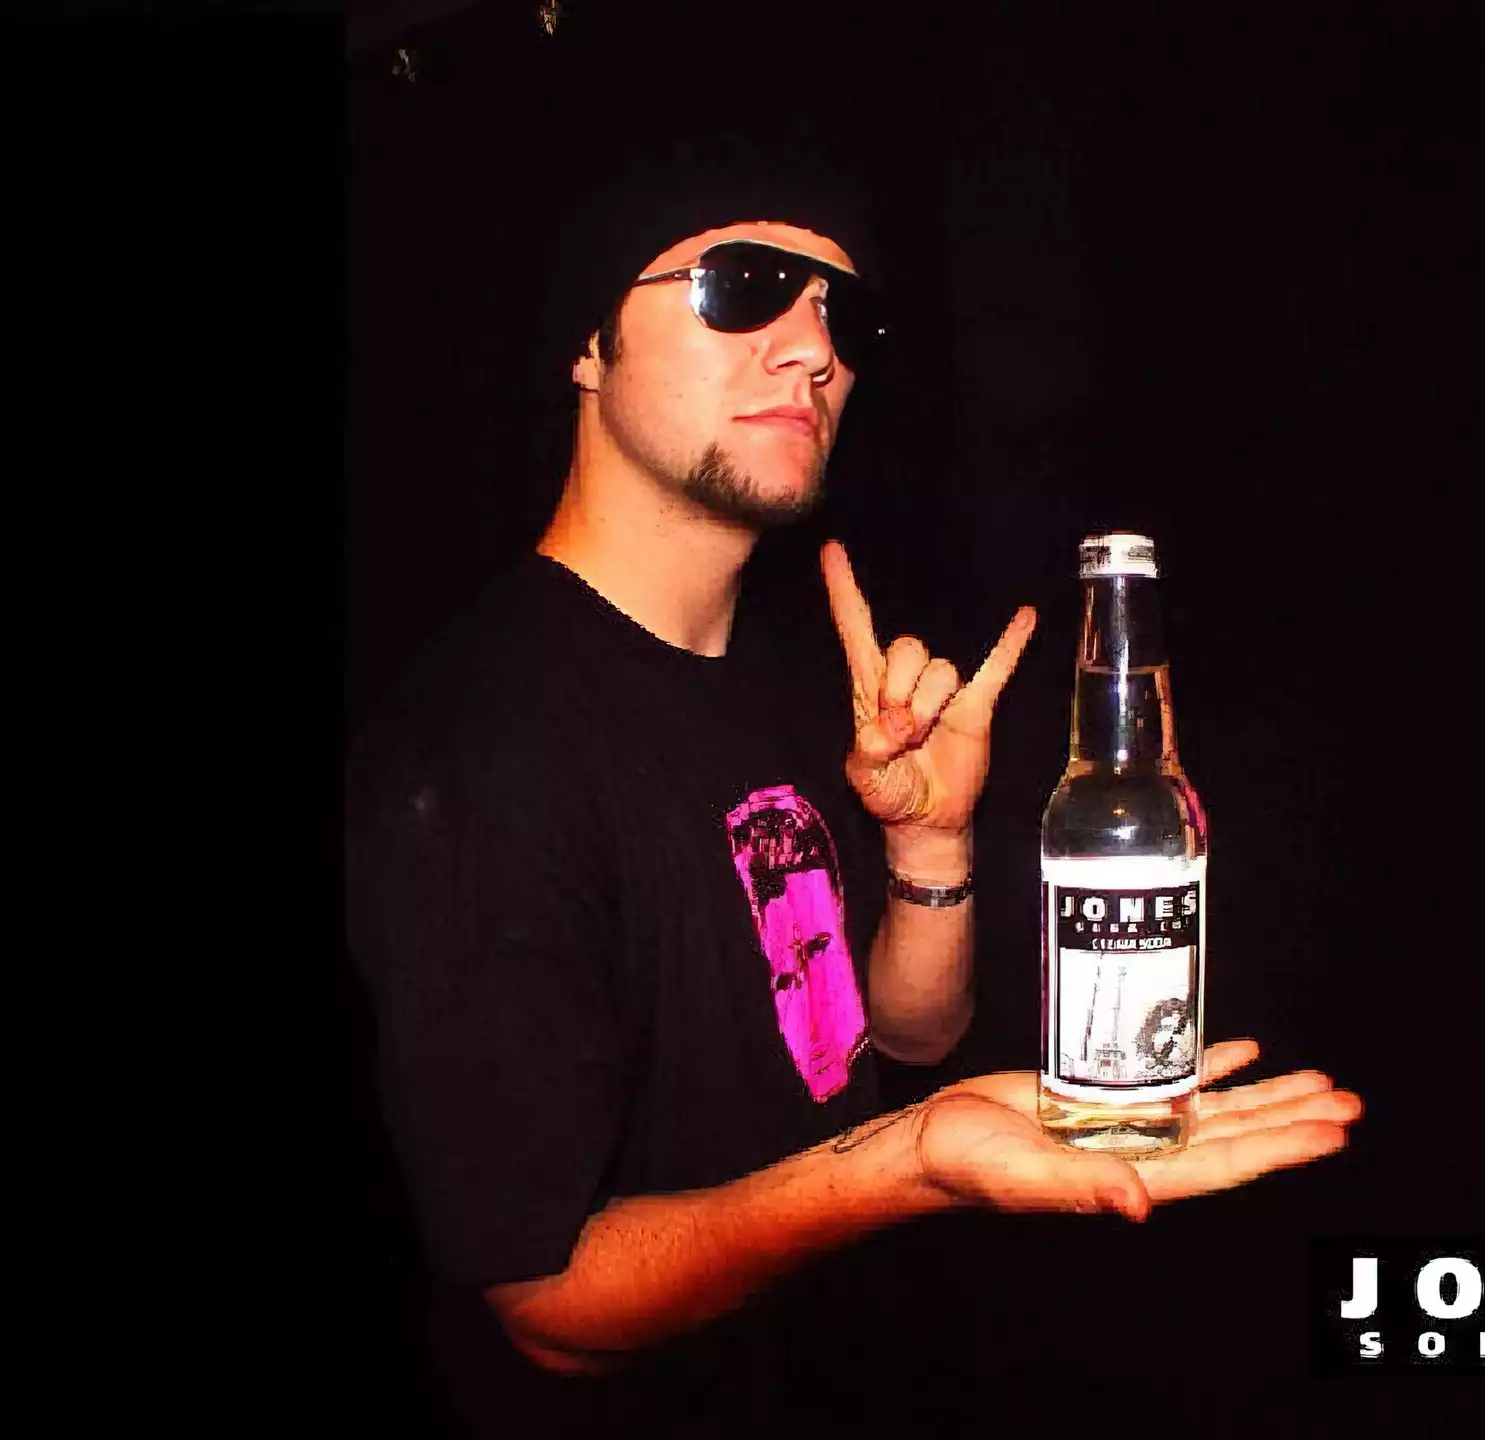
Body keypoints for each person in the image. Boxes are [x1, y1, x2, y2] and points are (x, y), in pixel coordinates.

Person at [344, 130, 1363, 1434]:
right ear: (587, 348)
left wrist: (931, 848)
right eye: (743, 288)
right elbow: (550, 1307)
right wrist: (907, 1167)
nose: (814, 349)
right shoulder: (477, 750)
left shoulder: (792, 675)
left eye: (845, 316)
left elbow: (901, 1038)